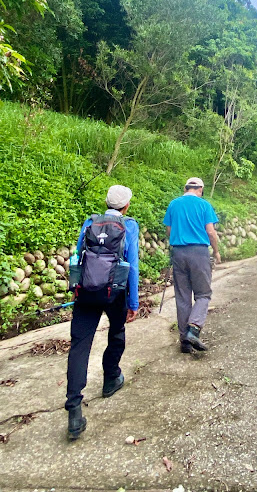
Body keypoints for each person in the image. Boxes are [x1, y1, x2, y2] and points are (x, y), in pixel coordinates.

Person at [65, 185, 139, 440]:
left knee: (79, 346)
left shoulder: (90, 222)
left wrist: (75, 288)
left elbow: (77, 255)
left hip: (86, 291)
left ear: (106, 202)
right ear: (126, 205)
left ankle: (74, 410)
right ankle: (111, 378)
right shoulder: (129, 225)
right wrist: (133, 301)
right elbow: (132, 264)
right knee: (116, 333)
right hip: (114, 292)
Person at [163, 177, 221, 354]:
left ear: (185, 188)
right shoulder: (204, 205)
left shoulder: (174, 204)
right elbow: (210, 232)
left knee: (182, 296)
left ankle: (185, 342)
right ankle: (194, 329)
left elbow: (169, 231)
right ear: (201, 189)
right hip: (199, 253)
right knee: (203, 294)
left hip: (178, 253)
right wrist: (216, 251)